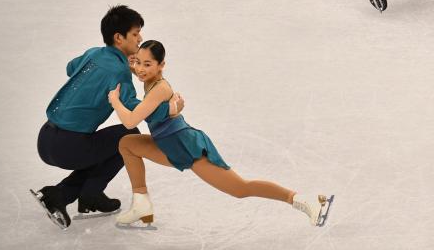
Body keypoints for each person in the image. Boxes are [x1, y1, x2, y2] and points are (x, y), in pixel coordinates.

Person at [108, 40, 332, 227]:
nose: (141, 69)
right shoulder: (149, 79)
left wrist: (115, 101)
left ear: (161, 65)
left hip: (189, 149)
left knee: (241, 189)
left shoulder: (160, 89)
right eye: (138, 63)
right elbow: (136, 68)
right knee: (127, 144)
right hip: (169, 147)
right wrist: (130, 62)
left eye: (148, 64)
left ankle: (306, 201)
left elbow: (130, 121)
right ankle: (141, 204)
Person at [31, 5, 182, 229]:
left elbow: (70, 67)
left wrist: (118, 67)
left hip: (46, 139)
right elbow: (134, 110)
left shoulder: (94, 53)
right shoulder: (118, 72)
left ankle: (88, 195)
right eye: (135, 33)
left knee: (116, 141)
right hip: (68, 146)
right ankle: (66, 195)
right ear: (119, 38)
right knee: (130, 138)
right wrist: (168, 109)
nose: (140, 38)